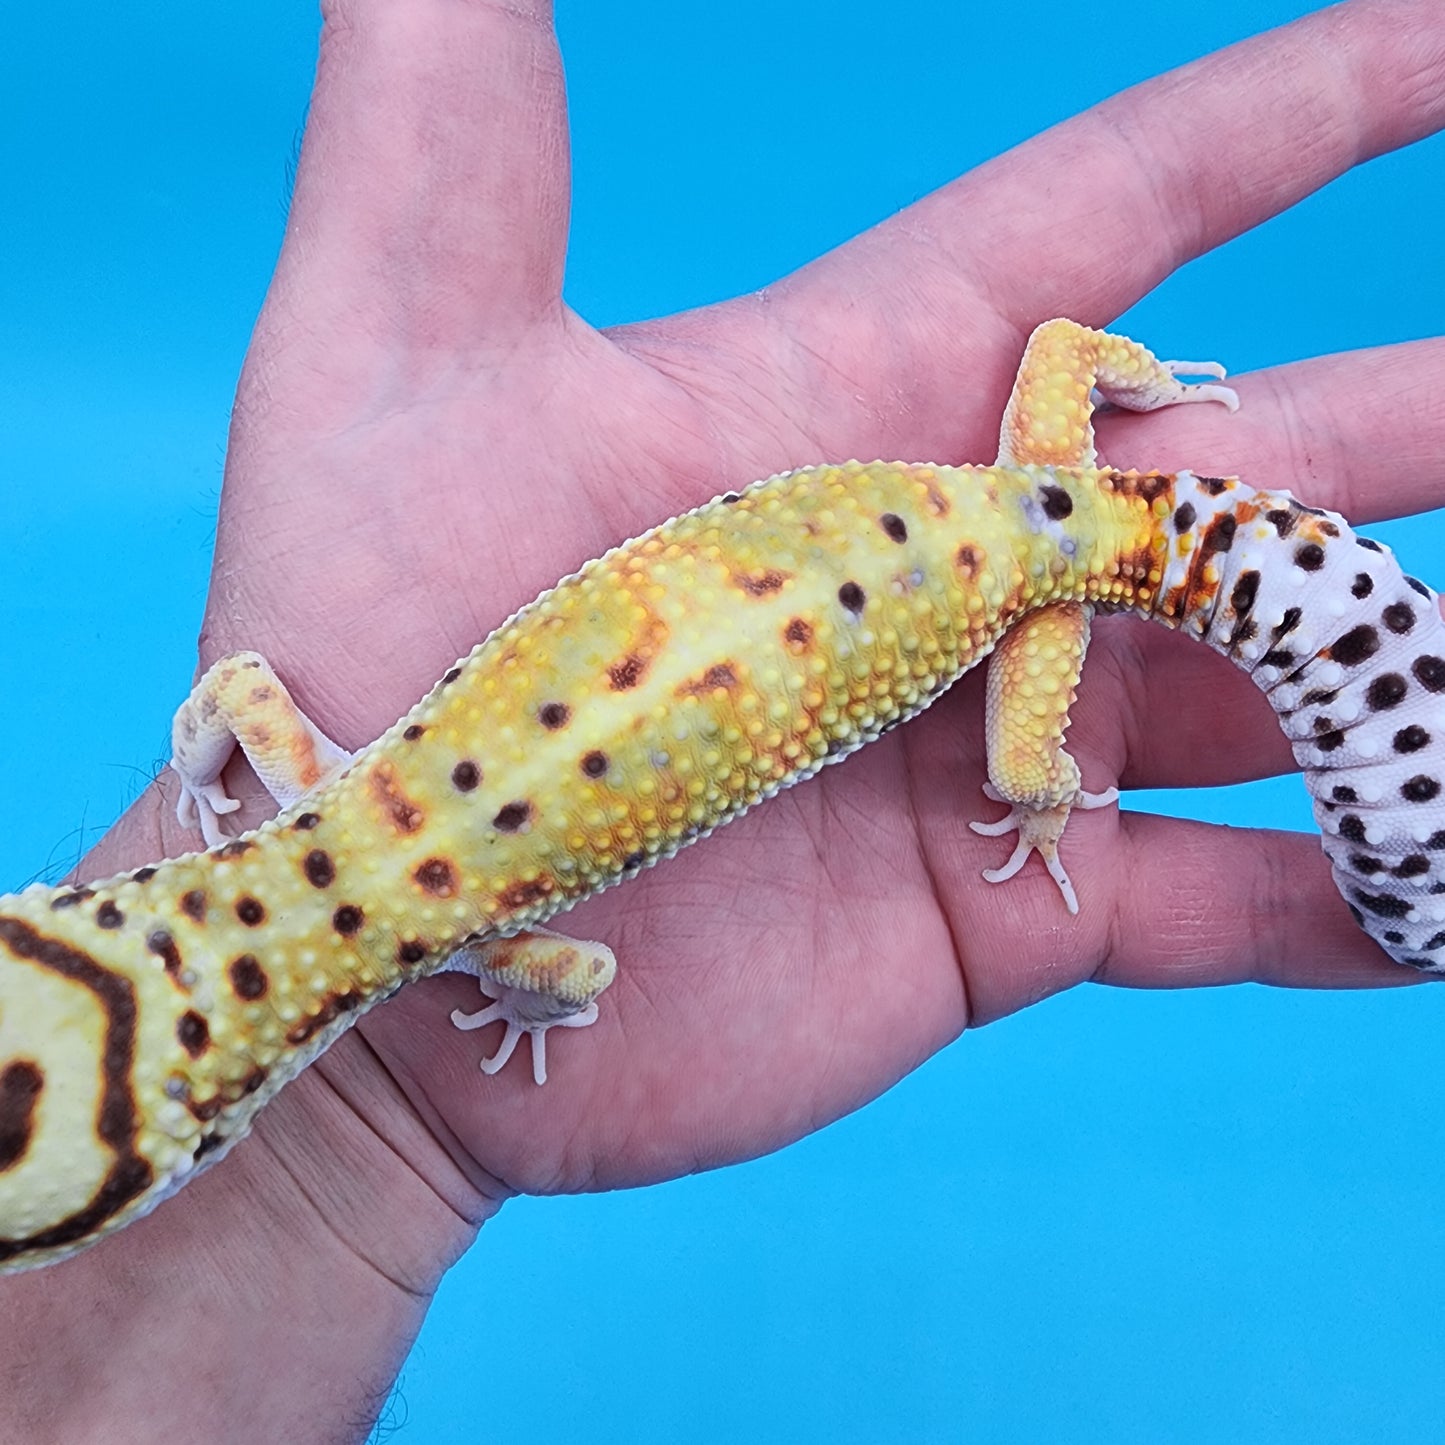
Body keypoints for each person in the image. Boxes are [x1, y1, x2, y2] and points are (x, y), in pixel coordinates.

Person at [5, 0, 1445, 1437]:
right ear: (74, 912)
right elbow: (233, 701)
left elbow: (568, 979)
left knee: (1022, 767)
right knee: (1040, 739)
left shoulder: (477, 937)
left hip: (1039, 568)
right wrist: (214, 775)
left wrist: (1040, 793)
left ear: (211, 1126)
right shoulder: (292, 753)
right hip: (1036, 477)